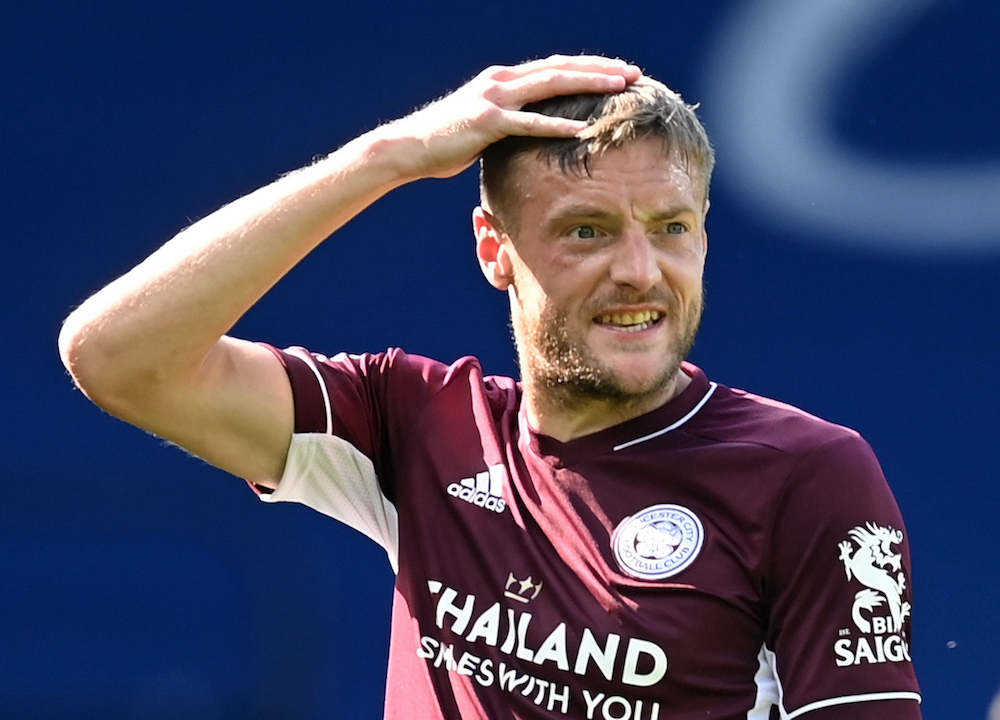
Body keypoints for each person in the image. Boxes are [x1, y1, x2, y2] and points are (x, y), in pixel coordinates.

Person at [59, 55, 922, 719]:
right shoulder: (416, 424)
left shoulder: (807, 474)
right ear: (493, 249)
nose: (639, 270)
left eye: (671, 227)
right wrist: (386, 157)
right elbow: (118, 356)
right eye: (586, 231)